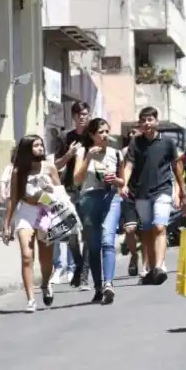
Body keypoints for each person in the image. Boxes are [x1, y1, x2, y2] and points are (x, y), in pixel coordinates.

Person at [120, 107, 186, 285]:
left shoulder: (167, 142)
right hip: (141, 192)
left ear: (156, 121)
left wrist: (180, 191)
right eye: (143, 120)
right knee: (147, 231)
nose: (147, 123)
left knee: (159, 227)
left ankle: (159, 266)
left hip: (163, 190)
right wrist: (125, 183)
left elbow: (176, 167)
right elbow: (129, 166)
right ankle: (149, 267)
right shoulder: (136, 143)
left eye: (150, 119)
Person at [2, 135, 62, 312]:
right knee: (27, 256)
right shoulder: (18, 171)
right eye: (35, 146)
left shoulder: (49, 167)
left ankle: (45, 284)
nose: (40, 148)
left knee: (46, 260)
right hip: (26, 213)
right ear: (27, 149)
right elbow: (13, 199)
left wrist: (52, 192)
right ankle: (30, 299)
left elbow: (60, 193)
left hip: (46, 213)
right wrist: (7, 224)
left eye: (41, 145)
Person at [73, 118, 125, 304]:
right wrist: (88, 159)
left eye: (106, 131)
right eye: (100, 132)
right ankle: (98, 287)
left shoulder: (116, 153)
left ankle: (109, 284)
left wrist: (115, 180)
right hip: (89, 199)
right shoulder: (83, 152)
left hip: (110, 197)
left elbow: (122, 181)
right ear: (92, 135)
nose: (104, 135)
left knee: (107, 240)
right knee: (94, 245)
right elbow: (77, 180)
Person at [52, 100, 90, 289]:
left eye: (85, 114)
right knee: (73, 233)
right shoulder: (65, 136)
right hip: (70, 190)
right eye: (79, 114)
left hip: (91, 188)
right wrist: (69, 154)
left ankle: (82, 274)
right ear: (74, 117)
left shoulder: (94, 135)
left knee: (89, 233)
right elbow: (56, 165)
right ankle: (78, 266)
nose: (82, 117)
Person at [121, 126, 142, 276]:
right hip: (129, 192)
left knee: (147, 231)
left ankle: (150, 265)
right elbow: (121, 170)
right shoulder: (123, 152)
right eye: (130, 133)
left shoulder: (149, 148)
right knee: (129, 229)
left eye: (134, 132)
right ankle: (134, 255)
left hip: (148, 192)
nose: (131, 135)